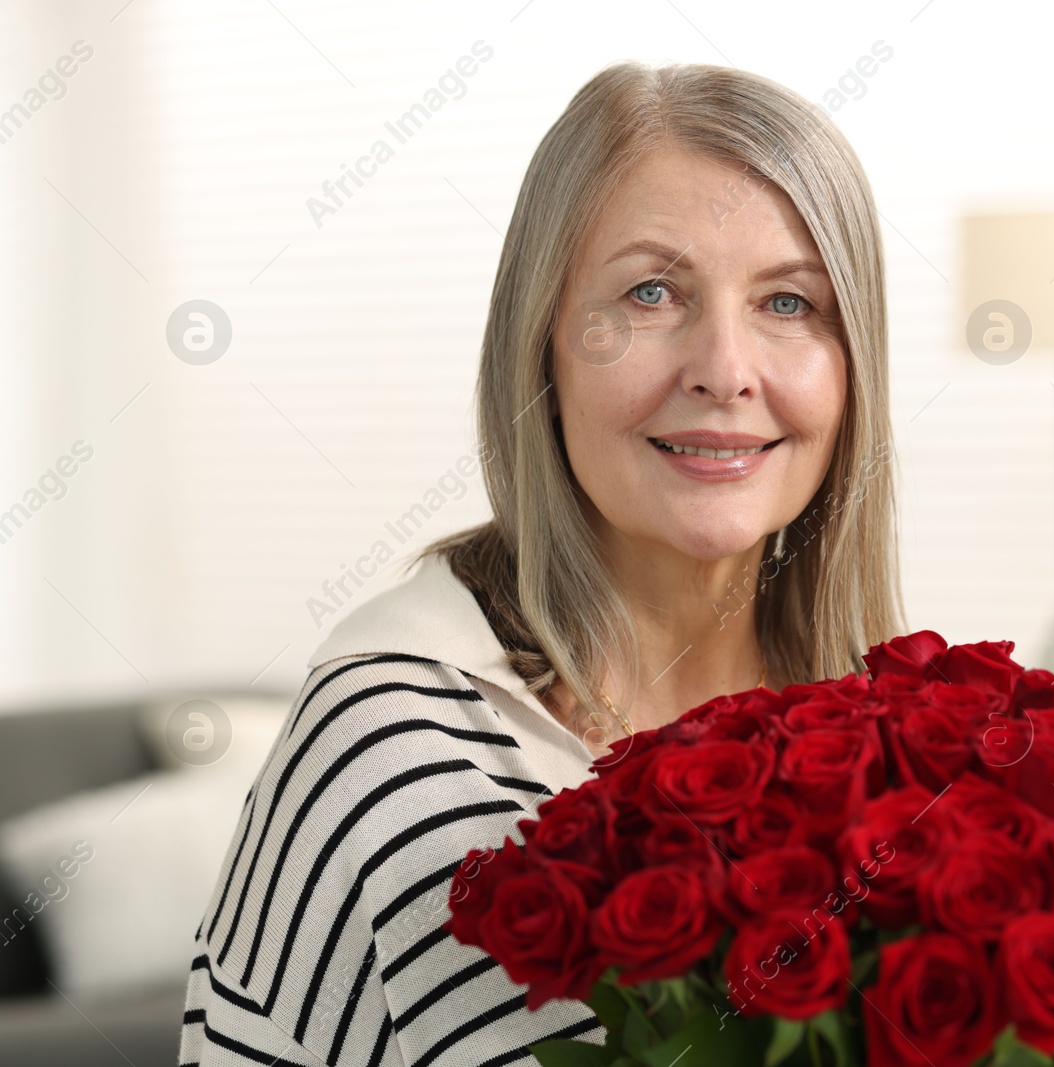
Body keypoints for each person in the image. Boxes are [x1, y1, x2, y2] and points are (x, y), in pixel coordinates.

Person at [178, 59, 903, 1067]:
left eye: (788, 303)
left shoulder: (881, 737)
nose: (726, 370)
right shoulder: (391, 748)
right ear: (543, 349)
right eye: (651, 292)